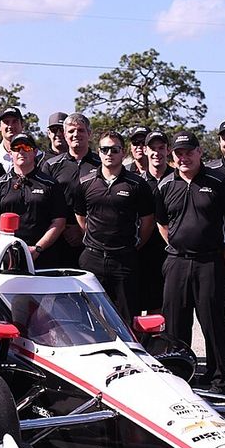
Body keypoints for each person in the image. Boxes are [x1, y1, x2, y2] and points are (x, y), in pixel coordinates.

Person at [154, 131, 225, 393]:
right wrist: (178, 243)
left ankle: (220, 379)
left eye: (189, 152)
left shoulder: (218, 181)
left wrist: (224, 257)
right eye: (178, 153)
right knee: (175, 324)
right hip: (177, 263)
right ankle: (179, 377)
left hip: (209, 262)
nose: (184, 158)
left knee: (213, 322)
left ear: (199, 151)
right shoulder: (166, 185)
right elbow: (162, 223)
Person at [71, 131, 155, 323]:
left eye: (114, 149)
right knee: (89, 319)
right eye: (105, 149)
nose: (109, 154)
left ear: (123, 152)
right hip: (92, 259)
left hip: (124, 260)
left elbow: (147, 221)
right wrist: (92, 237)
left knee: (126, 319)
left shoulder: (137, 184)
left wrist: (134, 244)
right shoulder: (85, 182)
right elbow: (80, 216)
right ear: (99, 152)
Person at [0, 132, 66, 268]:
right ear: (10, 153)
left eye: (26, 147)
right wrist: (6, 248)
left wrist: (38, 248)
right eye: (16, 148)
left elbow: (59, 222)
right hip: (7, 258)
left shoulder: (50, 184)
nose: (21, 151)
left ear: (35, 152)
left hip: (43, 257)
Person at [44, 113, 101, 267]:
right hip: (57, 238)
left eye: (81, 130)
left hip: (93, 240)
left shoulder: (101, 164)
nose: (76, 134)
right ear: (65, 134)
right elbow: (45, 203)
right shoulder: (50, 166)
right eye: (71, 131)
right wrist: (62, 229)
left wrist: (83, 231)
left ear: (89, 133)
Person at [137, 130, 173, 315]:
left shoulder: (178, 180)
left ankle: (167, 345)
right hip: (142, 255)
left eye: (161, 148)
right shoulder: (137, 183)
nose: (157, 153)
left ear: (168, 151)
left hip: (172, 255)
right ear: (145, 150)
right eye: (152, 148)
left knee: (168, 313)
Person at [0, 106, 26, 171]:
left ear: (22, 125)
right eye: (6, 122)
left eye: (14, 121)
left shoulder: (36, 156)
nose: (10, 126)